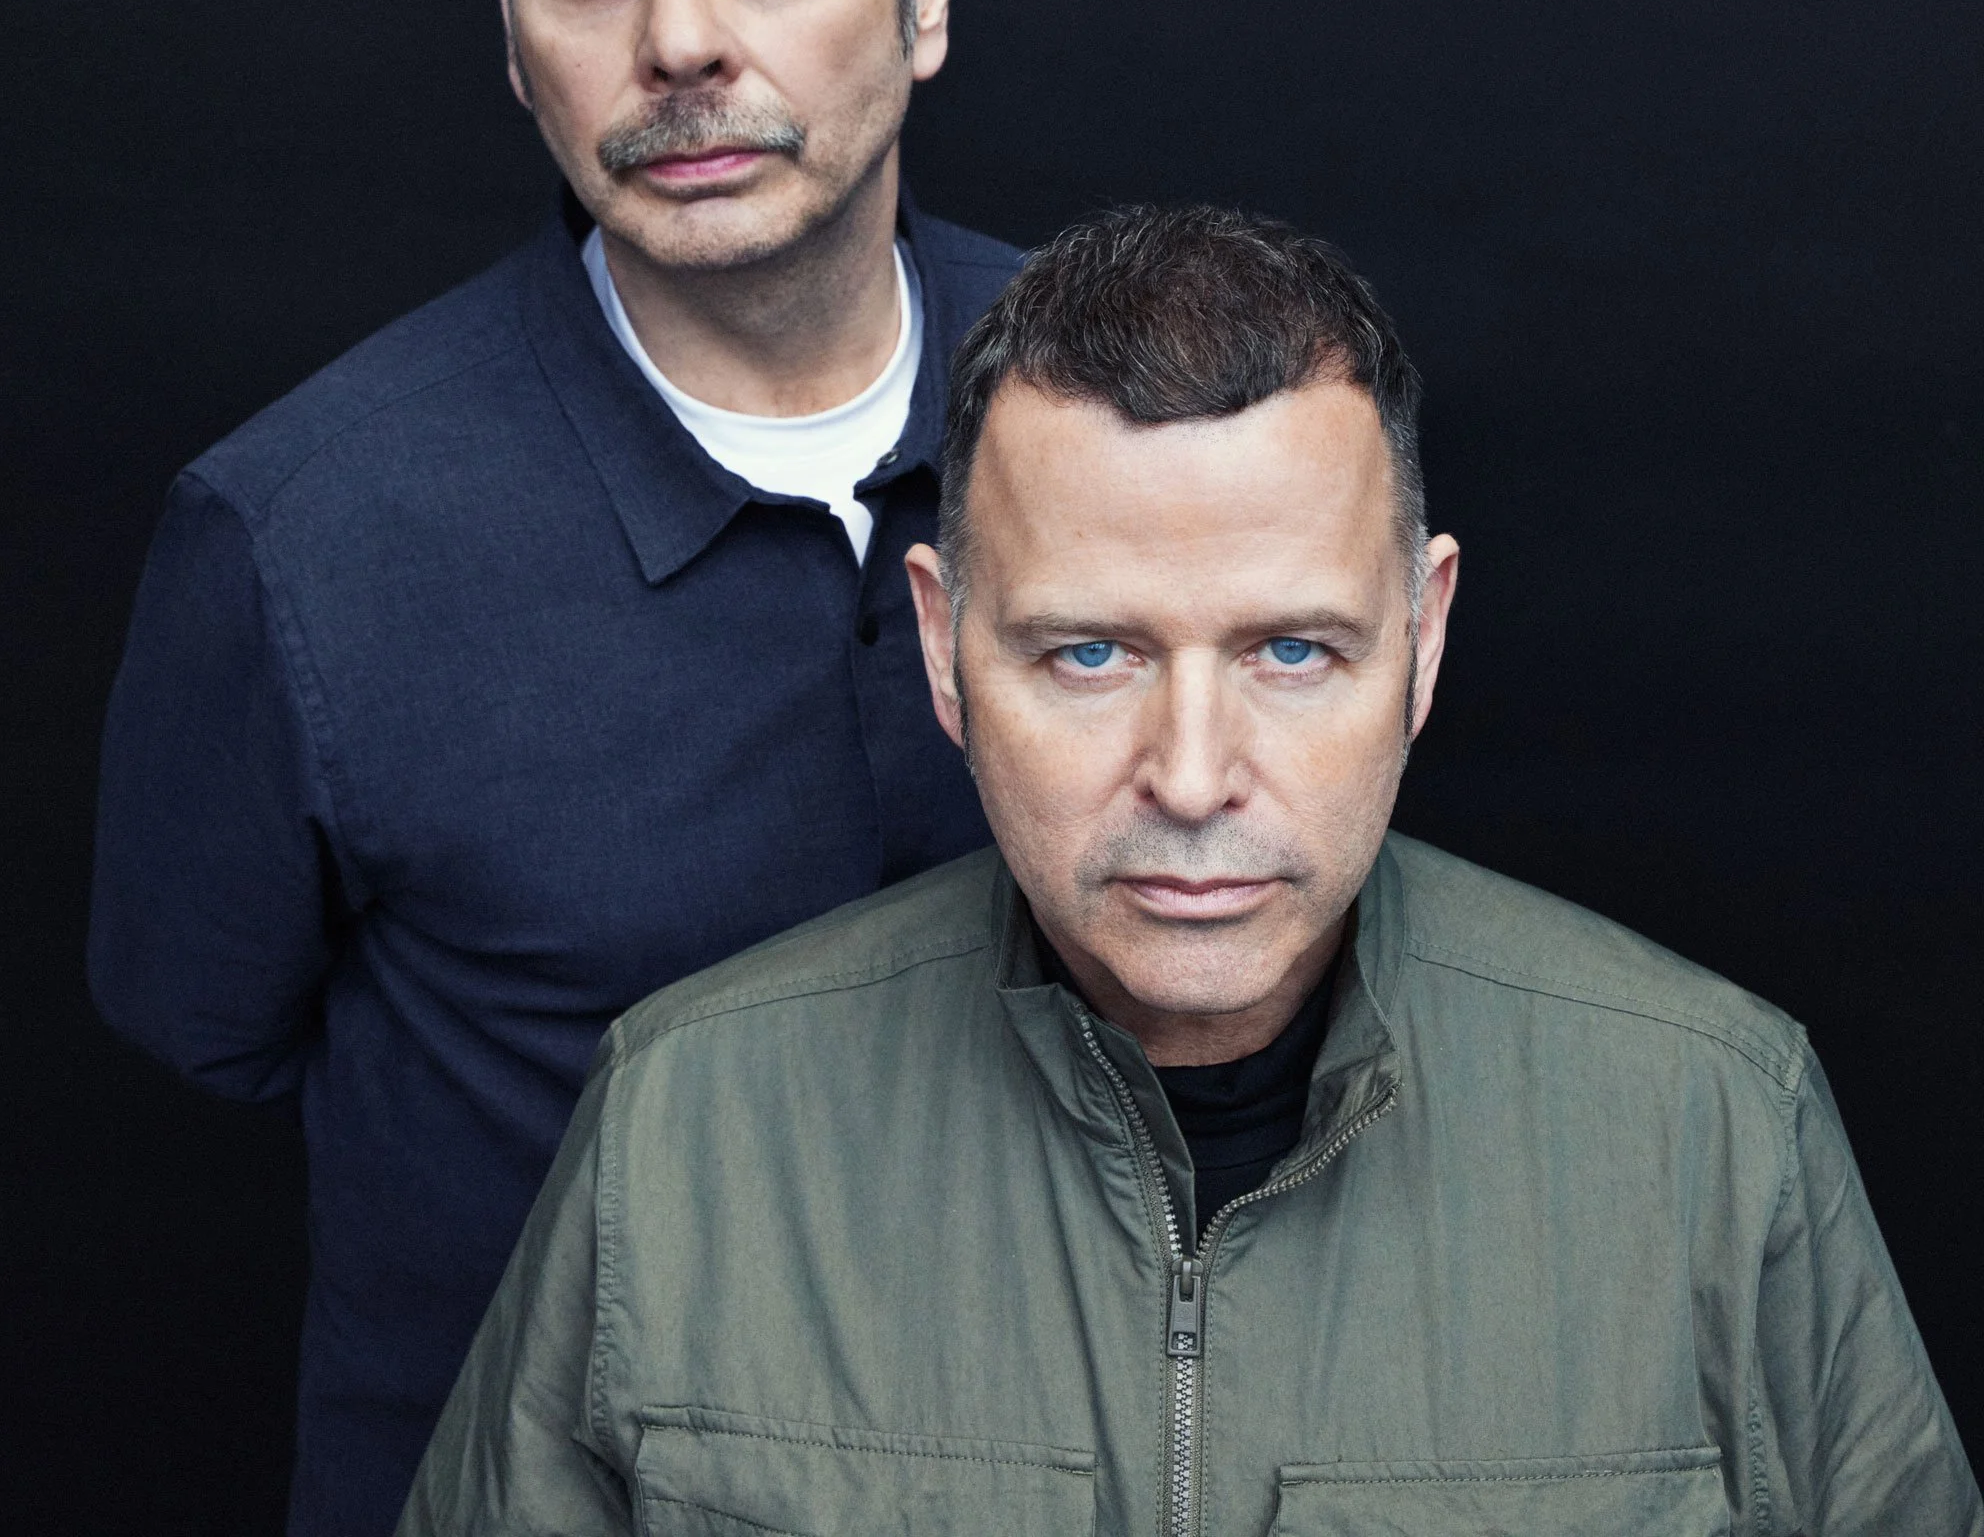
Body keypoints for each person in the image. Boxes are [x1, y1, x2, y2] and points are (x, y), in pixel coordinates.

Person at [400, 205, 1980, 1537]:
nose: (1195, 773)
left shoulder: (1716, 1126)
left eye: (1295, 649)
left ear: (1422, 642)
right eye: (1089, 651)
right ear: (946, 650)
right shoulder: (686, 1128)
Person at [88, 0, 1020, 1537]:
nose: (680, 40)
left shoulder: (1131, 417)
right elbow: (200, 1019)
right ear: (512, 31)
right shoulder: (302, 533)